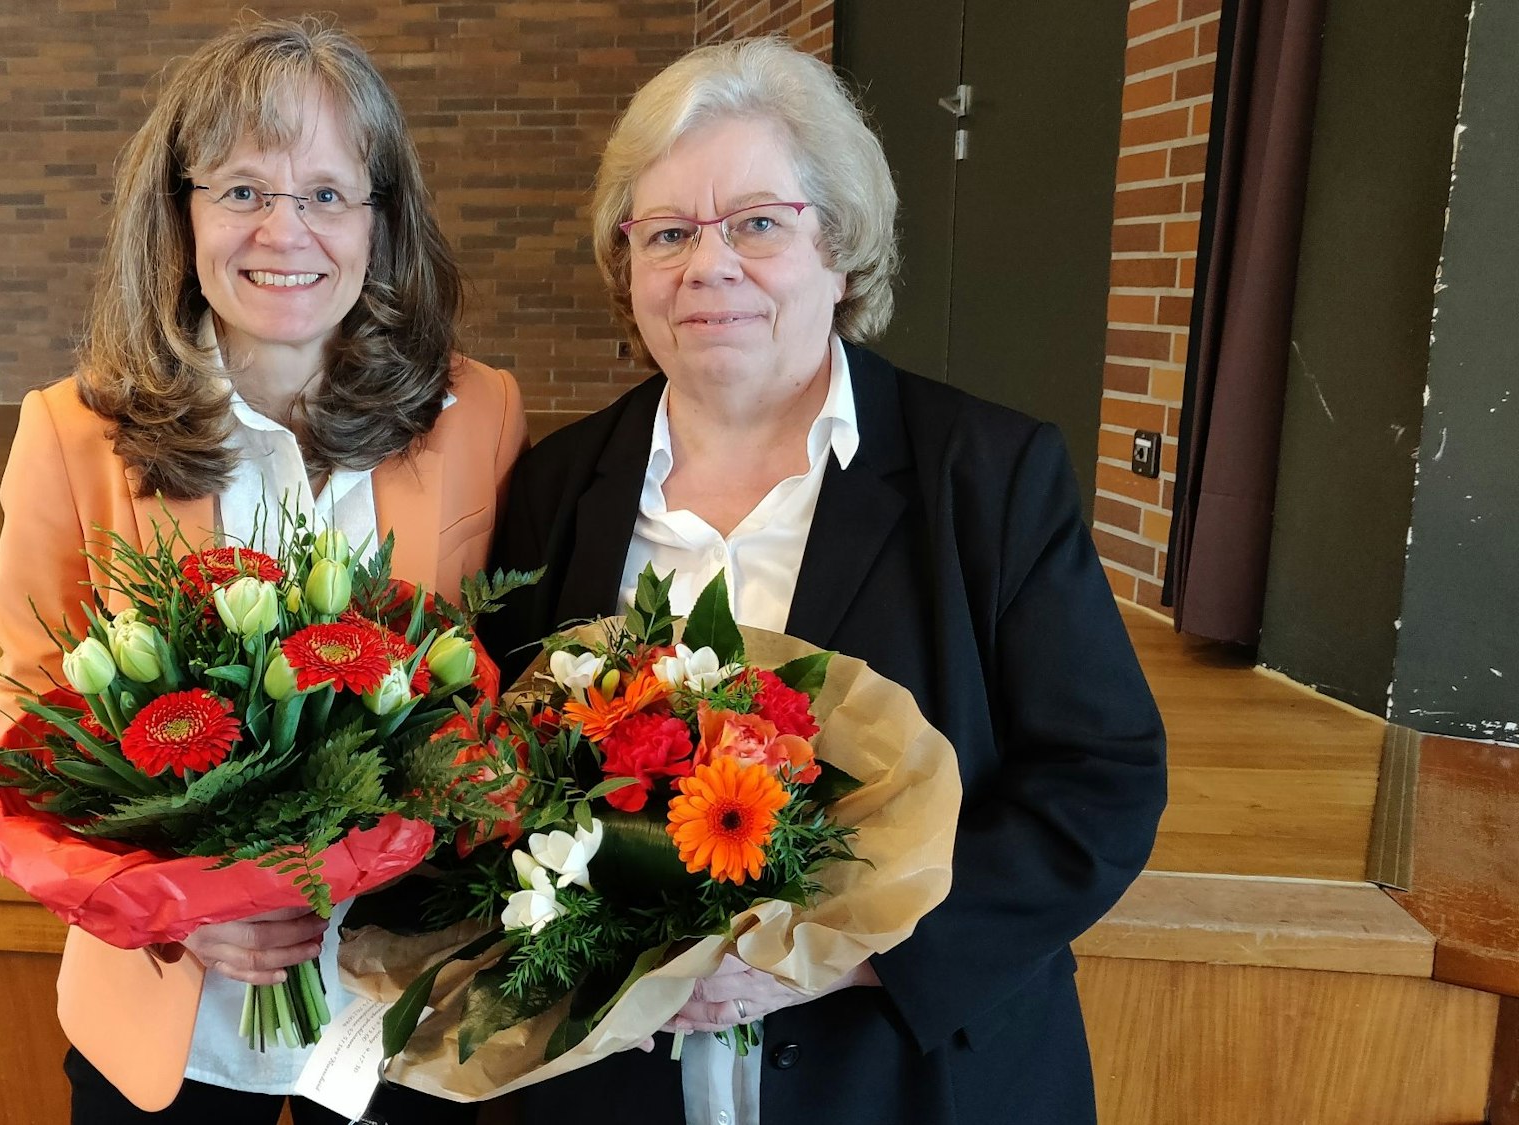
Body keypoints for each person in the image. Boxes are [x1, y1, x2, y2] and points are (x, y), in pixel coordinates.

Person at [480, 37, 1166, 1125]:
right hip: (613, 1085)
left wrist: (849, 959)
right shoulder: (557, 487)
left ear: (839, 247)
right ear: (626, 267)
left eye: (757, 222)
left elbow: (1099, 783)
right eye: (666, 233)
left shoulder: (985, 474)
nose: (707, 266)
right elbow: (500, 772)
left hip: (908, 1074)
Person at [0, 18, 524, 1125]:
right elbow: (33, 716)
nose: (286, 230)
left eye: (328, 194)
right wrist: (173, 906)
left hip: (403, 1009)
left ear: (381, 220)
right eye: (241, 190)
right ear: (179, 215)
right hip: (169, 1014)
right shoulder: (71, 432)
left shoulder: (481, 415)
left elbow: (503, 687)